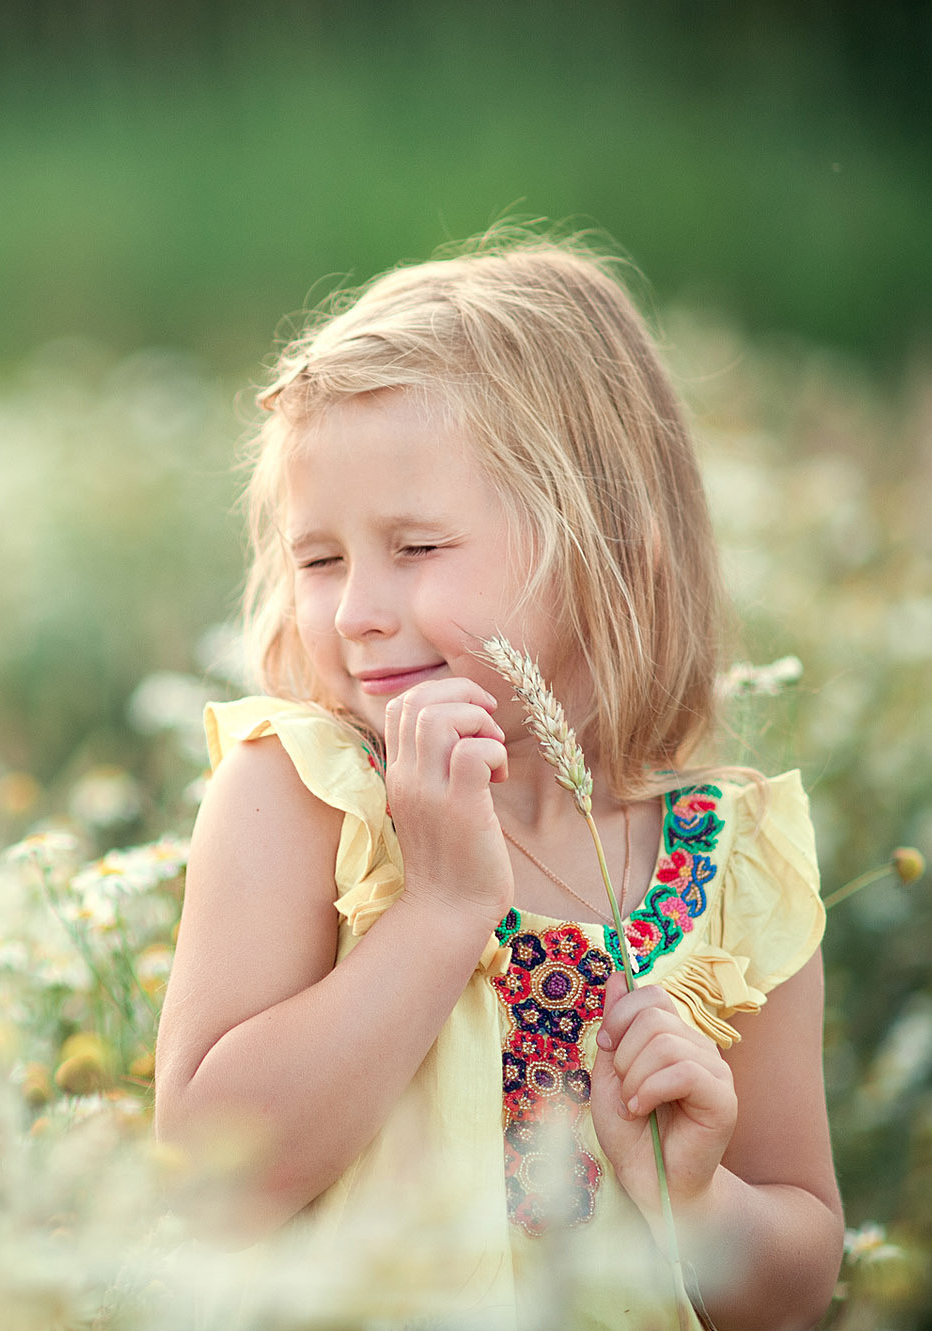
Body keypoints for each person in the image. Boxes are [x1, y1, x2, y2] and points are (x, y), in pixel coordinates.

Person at [153, 229, 844, 1330]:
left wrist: (693, 1194)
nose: (357, 610)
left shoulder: (731, 858)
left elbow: (798, 1280)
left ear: (608, 547)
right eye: (318, 558)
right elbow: (206, 1181)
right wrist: (436, 912)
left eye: (415, 548)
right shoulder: (302, 793)